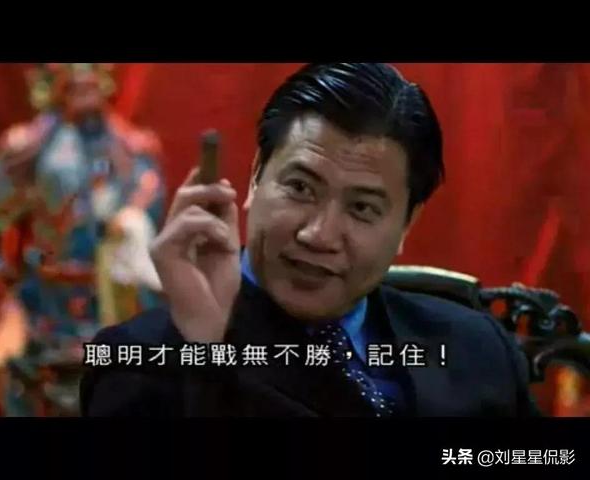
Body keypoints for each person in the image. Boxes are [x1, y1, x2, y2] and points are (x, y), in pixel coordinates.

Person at [80, 63, 540, 417]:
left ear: (407, 224)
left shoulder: (476, 348)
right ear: (256, 177)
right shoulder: (141, 363)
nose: (318, 234)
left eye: (362, 208)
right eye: (300, 188)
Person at [0, 63, 166, 416]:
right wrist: (8, 281)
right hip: (50, 320)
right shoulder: (35, 146)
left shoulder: (135, 150)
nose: (82, 77)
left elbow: (152, 236)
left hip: (118, 315)